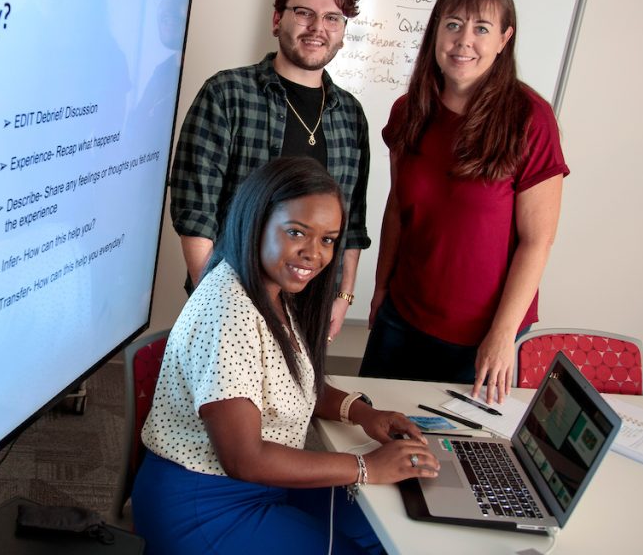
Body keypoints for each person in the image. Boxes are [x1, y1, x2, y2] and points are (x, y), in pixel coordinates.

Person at [134, 157, 438, 555]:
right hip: (205, 505)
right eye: (297, 232)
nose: (314, 254)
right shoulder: (229, 309)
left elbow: (295, 383)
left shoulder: (275, 292)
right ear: (257, 221)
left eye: (328, 239)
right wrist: (367, 467)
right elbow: (244, 458)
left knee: (391, 530)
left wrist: (363, 414)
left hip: (265, 486)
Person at [359, 0, 569, 404]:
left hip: (483, 336)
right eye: (453, 24)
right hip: (402, 319)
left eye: (481, 28)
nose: (463, 41)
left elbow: (537, 240)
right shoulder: (409, 110)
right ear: (436, 30)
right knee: (372, 432)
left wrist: (502, 335)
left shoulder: (531, 117)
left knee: (456, 457)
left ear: (504, 39)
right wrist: (380, 289)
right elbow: (398, 208)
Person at [170, 0, 369, 339]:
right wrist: (216, 303)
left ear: (343, 32)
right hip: (233, 297)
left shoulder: (351, 115)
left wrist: (343, 295)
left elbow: (352, 221)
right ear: (278, 20)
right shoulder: (226, 94)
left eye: (332, 18)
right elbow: (196, 213)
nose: (317, 28)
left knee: (301, 398)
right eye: (304, 13)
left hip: (313, 304)